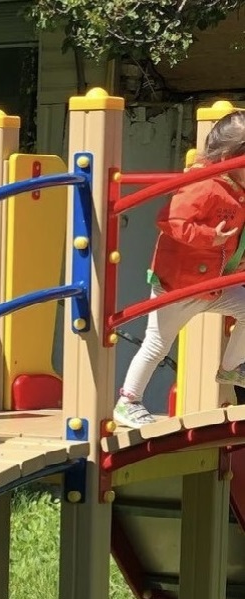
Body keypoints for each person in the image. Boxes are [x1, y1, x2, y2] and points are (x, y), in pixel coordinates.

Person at [114, 111, 245, 427]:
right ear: (228, 159)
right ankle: (127, 401)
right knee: (157, 345)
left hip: (211, 283)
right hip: (179, 286)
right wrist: (209, 237)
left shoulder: (235, 190)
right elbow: (170, 220)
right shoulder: (203, 186)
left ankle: (231, 367)